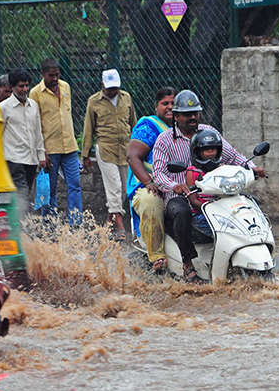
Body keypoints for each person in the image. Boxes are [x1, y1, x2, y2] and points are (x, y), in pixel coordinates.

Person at [151, 89, 265, 283]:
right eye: (187, 114)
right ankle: (188, 264)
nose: (193, 117)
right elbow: (159, 173)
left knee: (248, 203)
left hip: (214, 194)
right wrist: (175, 185)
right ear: (176, 116)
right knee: (180, 212)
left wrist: (253, 168)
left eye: (195, 112)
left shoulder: (209, 133)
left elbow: (233, 156)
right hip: (179, 197)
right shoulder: (165, 140)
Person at [81, 68, 136, 241]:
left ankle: (109, 223)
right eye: (110, 87)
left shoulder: (126, 98)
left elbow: (133, 122)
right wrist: (85, 155)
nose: (113, 91)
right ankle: (120, 226)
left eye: (116, 88)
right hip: (106, 150)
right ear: (103, 85)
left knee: (124, 190)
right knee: (114, 188)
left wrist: (138, 147)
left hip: (126, 150)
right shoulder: (94, 102)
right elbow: (88, 129)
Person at [126, 86, 175, 273]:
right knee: (151, 201)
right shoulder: (149, 126)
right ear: (156, 107)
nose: (169, 107)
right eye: (165, 104)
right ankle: (157, 256)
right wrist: (148, 182)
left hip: (177, 184)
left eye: (173, 103)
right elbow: (132, 156)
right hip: (147, 185)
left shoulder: (184, 126)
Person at [29, 58, 82, 226]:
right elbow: (35, 124)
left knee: (75, 185)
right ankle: (50, 224)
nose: (55, 78)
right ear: (43, 74)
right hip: (50, 149)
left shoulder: (65, 87)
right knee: (49, 189)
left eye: (57, 75)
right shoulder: (35, 93)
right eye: (51, 75)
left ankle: (76, 223)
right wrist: (41, 151)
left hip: (70, 146)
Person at [0, 68, 46, 210]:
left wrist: (41, 156)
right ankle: (23, 227)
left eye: (27, 85)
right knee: (22, 194)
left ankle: (18, 224)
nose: (25, 89)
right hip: (13, 159)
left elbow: (38, 132)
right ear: (12, 87)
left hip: (31, 160)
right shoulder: (4, 107)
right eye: (21, 86)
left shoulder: (33, 106)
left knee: (24, 194)